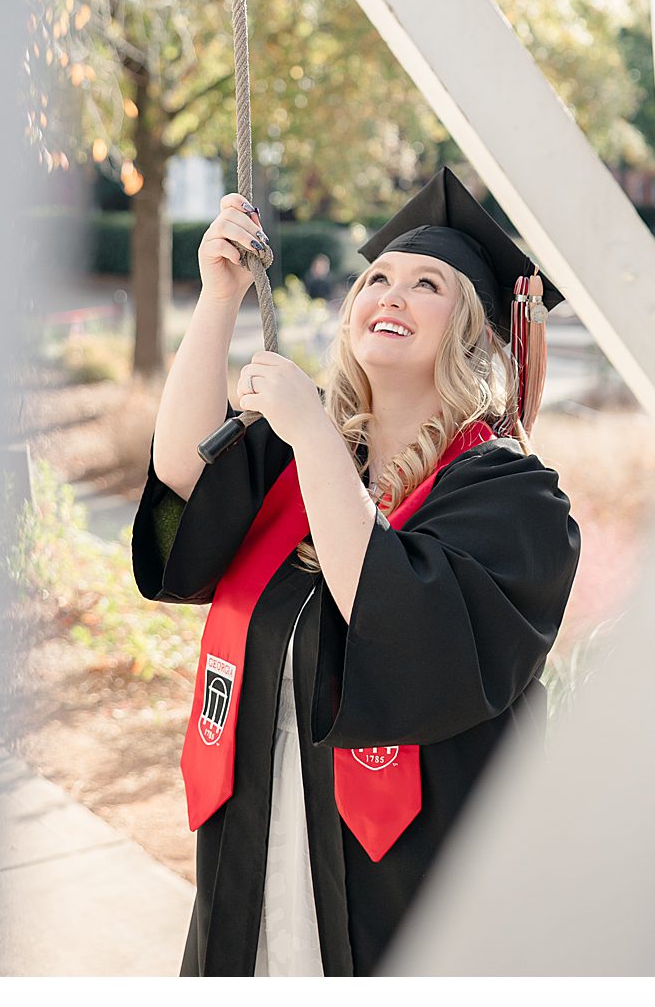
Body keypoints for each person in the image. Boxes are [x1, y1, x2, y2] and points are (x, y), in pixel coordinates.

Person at [134, 168, 580, 975]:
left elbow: (398, 625)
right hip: (260, 840)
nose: (392, 294)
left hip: (412, 881)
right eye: (377, 278)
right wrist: (218, 299)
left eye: (426, 284)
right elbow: (181, 481)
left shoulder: (513, 497)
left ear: (476, 331)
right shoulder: (305, 453)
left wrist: (310, 436)